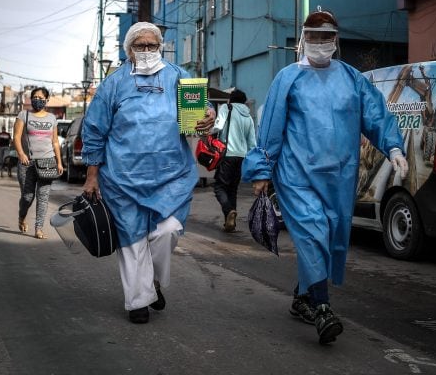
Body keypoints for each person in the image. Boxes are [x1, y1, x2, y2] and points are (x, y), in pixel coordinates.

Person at [242, 10, 408, 345]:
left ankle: (302, 297)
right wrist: (262, 170)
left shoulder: (352, 79)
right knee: (314, 232)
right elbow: (271, 127)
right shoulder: (288, 78)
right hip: (296, 174)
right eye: (314, 37)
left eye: (326, 37)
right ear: (304, 39)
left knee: (327, 236)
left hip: (339, 177)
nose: (320, 43)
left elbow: (375, 114)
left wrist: (393, 148)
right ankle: (322, 309)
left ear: (336, 40)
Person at [81, 22, 215, 325]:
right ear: (128, 50)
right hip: (122, 179)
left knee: (167, 231)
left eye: (151, 45)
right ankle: (138, 301)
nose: (145, 51)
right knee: (131, 239)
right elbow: (94, 130)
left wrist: (208, 115)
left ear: (160, 47)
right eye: (139, 45)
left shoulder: (179, 76)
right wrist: (92, 175)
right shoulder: (114, 84)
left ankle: (152, 281)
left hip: (172, 176)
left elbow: (200, 111)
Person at [13, 87, 64, 240]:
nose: (37, 100)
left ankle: (39, 229)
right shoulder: (23, 115)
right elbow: (16, 137)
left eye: (41, 98)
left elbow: (55, 142)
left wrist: (59, 162)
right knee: (28, 197)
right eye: (35, 97)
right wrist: (21, 154)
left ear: (47, 100)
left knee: (43, 197)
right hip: (27, 163)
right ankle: (22, 217)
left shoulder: (52, 118)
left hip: (47, 162)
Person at [212, 88, 256, 232]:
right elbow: (252, 144)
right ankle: (230, 222)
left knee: (219, 186)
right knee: (232, 189)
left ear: (231, 100)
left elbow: (218, 126)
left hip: (227, 154)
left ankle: (229, 209)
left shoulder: (227, 108)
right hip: (241, 157)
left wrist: (205, 130)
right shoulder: (249, 117)